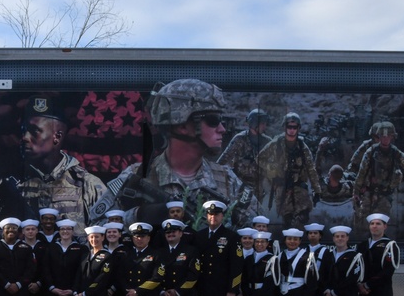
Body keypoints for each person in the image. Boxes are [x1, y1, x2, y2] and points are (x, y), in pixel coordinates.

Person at [92, 78, 259, 229]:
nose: (222, 129)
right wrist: (138, 216)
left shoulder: (227, 181)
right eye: (213, 120)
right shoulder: (135, 177)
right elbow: (95, 230)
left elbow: (261, 231)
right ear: (182, 126)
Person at [0, 95, 107, 226]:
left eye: (34, 131)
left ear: (57, 137)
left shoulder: (87, 184)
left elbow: (110, 230)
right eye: (23, 131)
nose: (25, 138)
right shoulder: (4, 184)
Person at [352, 121, 404, 226]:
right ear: (379, 136)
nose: (385, 139)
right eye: (383, 136)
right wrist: (356, 191)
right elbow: (362, 172)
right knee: (365, 224)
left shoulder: (395, 152)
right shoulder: (371, 151)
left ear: (392, 137)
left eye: (388, 136)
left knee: (381, 225)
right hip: (368, 193)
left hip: (385, 194)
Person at [257, 113, 324, 229]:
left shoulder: (302, 146)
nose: (292, 130)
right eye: (289, 127)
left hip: (299, 187)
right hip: (282, 187)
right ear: (285, 127)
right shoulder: (276, 143)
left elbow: (311, 168)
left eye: (295, 127)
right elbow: (259, 158)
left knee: (304, 217)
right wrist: (273, 169)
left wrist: (317, 190)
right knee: (287, 219)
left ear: (298, 128)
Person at [218, 108, 271, 197]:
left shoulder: (267, 141)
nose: (265, 126)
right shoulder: (240, 139)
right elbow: (223, 160)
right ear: (254, 123)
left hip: (259, 189)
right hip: (241, 187)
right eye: (262, 124)